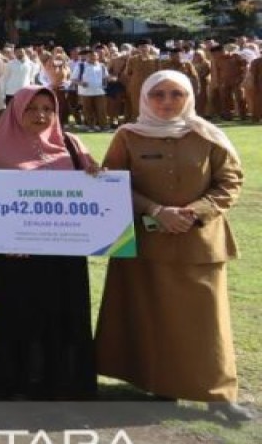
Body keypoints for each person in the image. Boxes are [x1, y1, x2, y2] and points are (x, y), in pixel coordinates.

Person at [94, 71, 253, 421]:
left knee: (207, 322)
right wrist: (155, 210)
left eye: (176, 94)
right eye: (159, 94)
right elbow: (112, 182)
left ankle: (219, 395)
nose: (167, 102)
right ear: (145, 98)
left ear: (190, 96)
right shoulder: (128, 136)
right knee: (152, 317)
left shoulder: (208, 135)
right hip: (145, 244)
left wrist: (194, 213)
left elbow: (230, 181)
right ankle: (160, 383)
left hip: (200, 243)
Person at [0, 86, 98, 400]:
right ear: (16, 111)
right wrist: (4, 238)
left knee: (61, 314)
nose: (41, 115)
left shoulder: (71, 144)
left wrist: (99, 177)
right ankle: (13, 380)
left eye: (48, 109)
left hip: (63, 255)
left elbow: (93, 193)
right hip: (15, 256)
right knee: (18, 314)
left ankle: (61, 380)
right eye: (32, 108)